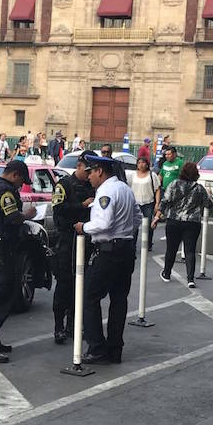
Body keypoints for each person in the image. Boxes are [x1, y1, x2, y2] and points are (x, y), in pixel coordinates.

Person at [73, 155, 141, 364]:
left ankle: (96, 348)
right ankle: (114, 348)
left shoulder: (106, 191)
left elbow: (102, 223)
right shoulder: (125, 189)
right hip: (126, 249)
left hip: (109, 251)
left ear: (100, 171)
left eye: (91, 172)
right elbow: (137, 217)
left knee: (89, 298)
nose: (89, 177)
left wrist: (83, 227)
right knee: (118, 300)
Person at [0, 160, 37, 363]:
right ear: (15, 174)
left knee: (0, 294)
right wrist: (27, 214)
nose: (21, 185)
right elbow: (12, 217)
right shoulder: (4, 191)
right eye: (21, 181)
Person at [51, 150, 96, 344]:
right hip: (67, 240)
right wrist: (82, 206)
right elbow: (58, 209)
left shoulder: (92, 185)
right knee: (64, 284)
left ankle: (73, 324)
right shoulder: (64, 184)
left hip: (85, 240)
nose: (89, 175)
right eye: (87, 170)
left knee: (82, 286)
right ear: (79, 167)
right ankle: (59, 326)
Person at [154, 162, 212, 289]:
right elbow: (208, 204)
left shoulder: (174, 184)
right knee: (190, 250)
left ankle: (167, 273)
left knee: (171, 249)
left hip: (174, 220)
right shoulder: (199, 188)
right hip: (192, 222)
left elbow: (165, 201)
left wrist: (157, 216)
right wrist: (209, 195)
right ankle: (190, 279)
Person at [131, 157, 161, 250]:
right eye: (139, 163)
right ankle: (133, 245)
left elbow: (157, 189)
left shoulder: (152, 175)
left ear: (147, 164)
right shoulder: (132, 175)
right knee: (134, 225)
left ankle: (148, 244)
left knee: (148, 225)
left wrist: (157, 204)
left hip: (148, 203)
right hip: (135, 203)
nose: (141, 165)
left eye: (143, 162)